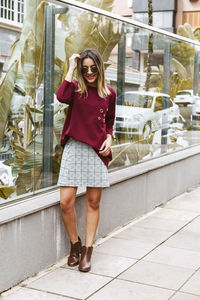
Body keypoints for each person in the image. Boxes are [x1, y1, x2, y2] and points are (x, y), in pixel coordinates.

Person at [56, 48, 116, 272]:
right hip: (74, 147)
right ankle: (75, 245)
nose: (89, 72)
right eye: (85, 69)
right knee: (66, 202)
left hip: (96, 151)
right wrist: (72, 66)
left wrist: (109, 138)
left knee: (93, 202)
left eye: (93, 68)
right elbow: (61, 96)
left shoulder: (109, 93)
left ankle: (88, 251)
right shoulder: (75, 90)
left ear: (99, 68)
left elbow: (109, 122)